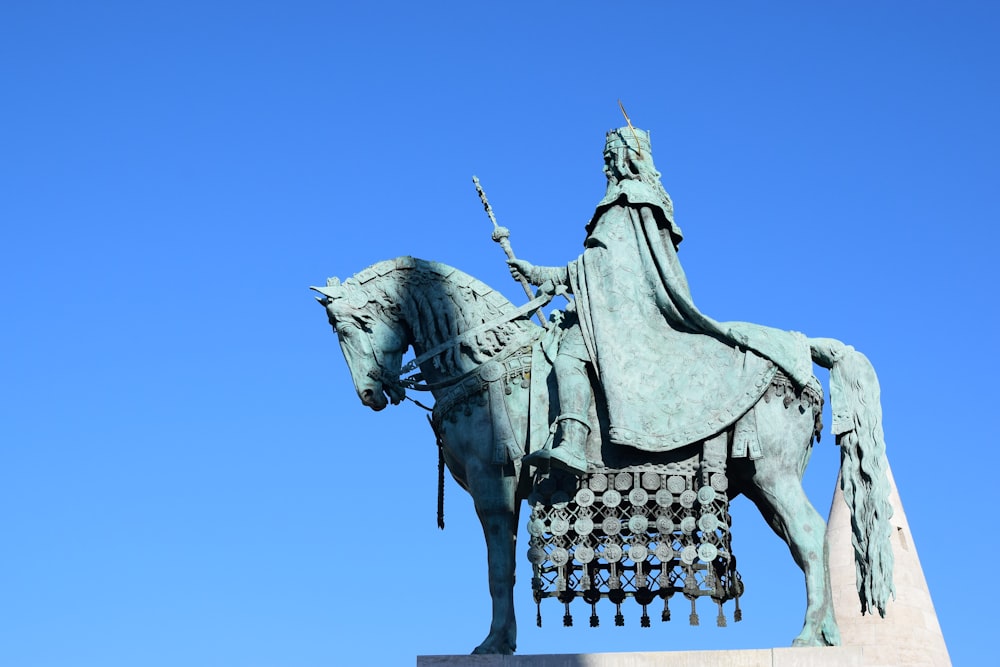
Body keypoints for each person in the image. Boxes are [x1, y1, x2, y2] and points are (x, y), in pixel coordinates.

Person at [510, 126, 813, 476]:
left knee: (568, 357)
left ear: (628, 157)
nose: (607, 165)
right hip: (630, 309)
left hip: (624, 315)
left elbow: (601, 265)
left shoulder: (625, 198)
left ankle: (573, 444)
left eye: (612, 156)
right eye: (605, 158)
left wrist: (537, 273)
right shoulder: (647, 198)